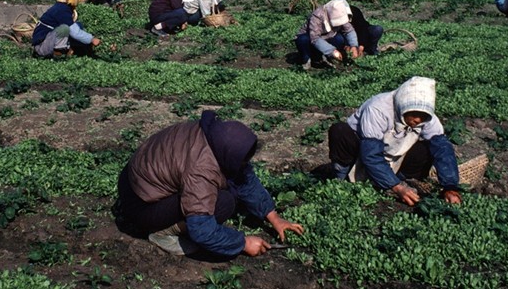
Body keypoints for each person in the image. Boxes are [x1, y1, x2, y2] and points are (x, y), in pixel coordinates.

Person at [116, 110, 304, 258]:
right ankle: (163, 234)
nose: (246, 165)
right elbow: (202, 230)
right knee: (223, 203)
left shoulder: (212, 134)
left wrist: (274, 218)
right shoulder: (201, 170)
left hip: (136, 181)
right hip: (140, 205)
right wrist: (242, 243)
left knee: (227, 189)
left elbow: (244, 177)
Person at [327, 76, 461, 206]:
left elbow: (443, 150)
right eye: (414, 115)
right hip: (362, 152)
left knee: (428, 148)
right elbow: (370, 155)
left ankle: (403, 179)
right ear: (403, 107)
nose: (418, 120)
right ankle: (340, 179)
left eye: (423, 116)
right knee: (340, 131)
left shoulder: (428, 118)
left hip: (396, 156)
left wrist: (450, 186)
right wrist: (396, 187)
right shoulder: (378, 109)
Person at [31, 0, 102, 57]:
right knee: (64, 29)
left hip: (47, 42)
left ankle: (78, 48)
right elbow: (75, 32)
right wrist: (92, 39)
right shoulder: (62, 10)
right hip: (42, 46)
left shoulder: (61, 6)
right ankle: (58, 53)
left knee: (77, 25)